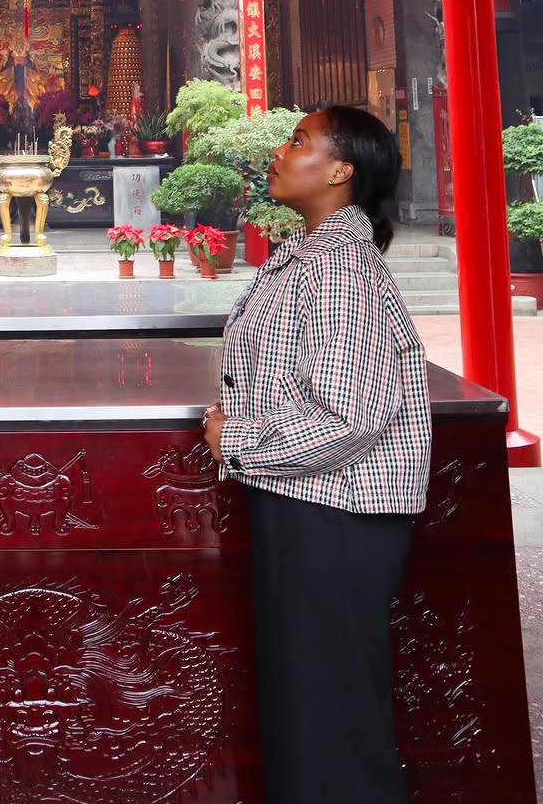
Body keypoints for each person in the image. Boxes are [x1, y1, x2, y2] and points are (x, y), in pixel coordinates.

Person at [202, 105, 431, 804]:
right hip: (311, 504)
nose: (278, 150)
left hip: (336, 514)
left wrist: (235, 439)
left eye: (299, 140)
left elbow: (350, 418)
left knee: (332, 721)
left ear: (340, 171)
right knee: (310, 713)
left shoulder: (340, 270)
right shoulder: (309, 257)